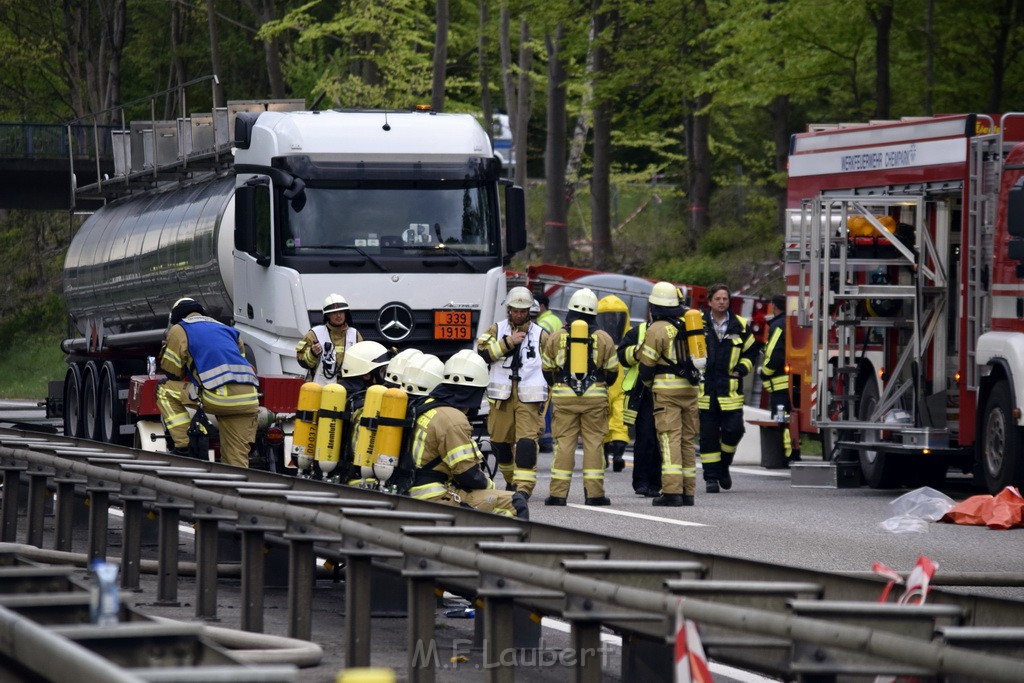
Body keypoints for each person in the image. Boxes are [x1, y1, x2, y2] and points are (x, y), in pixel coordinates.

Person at [408, 350, 529, 519]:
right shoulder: (453, 419)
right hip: (432, 497)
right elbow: (468, 476)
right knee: (515, 503)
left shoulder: (425, 405)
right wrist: (490, 485)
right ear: (473, 392)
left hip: (408, 489)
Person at [156, 297, 260, 468]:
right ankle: (237, 493)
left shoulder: (179, 329)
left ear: (175, 317)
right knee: (236, 462)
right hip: (249, 399)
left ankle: (183, 447)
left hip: (218, 397)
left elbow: (172, 372)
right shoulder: (227, 329)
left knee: (163, 390)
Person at [542, 288, 619, 506]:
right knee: (594, 443)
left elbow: (547, 369)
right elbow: (613, 372)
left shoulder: (557, 337)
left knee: (564, 444)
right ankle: (594, 495)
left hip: (563, 397)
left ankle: (558, 495)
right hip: (595, 398)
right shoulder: (604, 338)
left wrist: (560, 386)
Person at [476, 286, 549, 498]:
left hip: (529, 398)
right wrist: (508, 343)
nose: (519, 314)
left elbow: (555, 361)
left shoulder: (541, 335)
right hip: (501, 399)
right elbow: (482, 354)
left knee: (527, 443)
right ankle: (510, 481)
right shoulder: (495, 330)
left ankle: (523, 489)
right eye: (515, 310)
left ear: (529, 311)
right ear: (509, 309)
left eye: (523, 310)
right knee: (500, 444)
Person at [637, 283, 702, 506]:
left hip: (666, 392)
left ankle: (672, 492)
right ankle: (688, 492)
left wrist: (648, 383)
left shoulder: (657, 329)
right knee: (687, 440)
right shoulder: (690, 324)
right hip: (691, 389)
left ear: (655, 306)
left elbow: (646, 365)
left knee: (669, 438)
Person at [699, 283, 758, 493]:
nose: (722, 302)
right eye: (718, 299)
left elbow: (752, 352)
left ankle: (723, 465)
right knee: (708, 437)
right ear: (709, 302)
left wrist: (741, 369)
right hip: (705, 391)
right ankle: (711, 478)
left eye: (725, 299)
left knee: (734, 431)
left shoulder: (740, 325)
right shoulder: (698, 324)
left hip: (730, 389)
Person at [619, 308, 661, 497]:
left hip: (667, 391)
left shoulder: (676, 330)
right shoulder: (638, 332)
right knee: (645, 437)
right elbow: (622, 356)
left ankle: (658, 482)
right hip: (644, 393)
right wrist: (637, 352)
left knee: (663, 439)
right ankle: (642, 482)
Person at [338, 340, 393, 483]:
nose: (385, 378)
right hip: (362, 479)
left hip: (339, 472)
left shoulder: (338, 395)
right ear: (367, 375)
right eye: (382, 372)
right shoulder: (368, 406)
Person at [760, 294, 800, 463]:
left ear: (774, 306)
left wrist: (765, 372)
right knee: (790, 418)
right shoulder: (792, 322)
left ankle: (787, 456)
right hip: (793, 384)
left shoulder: (778, 325)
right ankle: (792, 454)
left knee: (782, 420)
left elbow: (774, 352)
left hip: (780, 386)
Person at [296, 294, 363, 385]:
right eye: (334, 313)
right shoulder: (314, 334)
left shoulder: (355, 335)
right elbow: (301, 360)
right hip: (321, 390)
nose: (338, 315)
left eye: (341, 312)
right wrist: (313, 353)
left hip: (349, 391)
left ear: (345, 313)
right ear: (327, 315)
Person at [596, 295, 630, 472]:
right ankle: (615, 456)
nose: (611, 321)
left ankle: (610, 456)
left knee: (609, 422)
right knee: (617, 422)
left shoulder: (597, 337)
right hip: (617, 386)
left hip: (607, 385)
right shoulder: (629, 335)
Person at [534, 292, 562, 454]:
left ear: (541, 306)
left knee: (543, 405)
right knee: (549, 405)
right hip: (555, 366)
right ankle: (546, 439)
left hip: (546, 366)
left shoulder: (544, 323)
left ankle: (544, 440)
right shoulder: (556, 319)